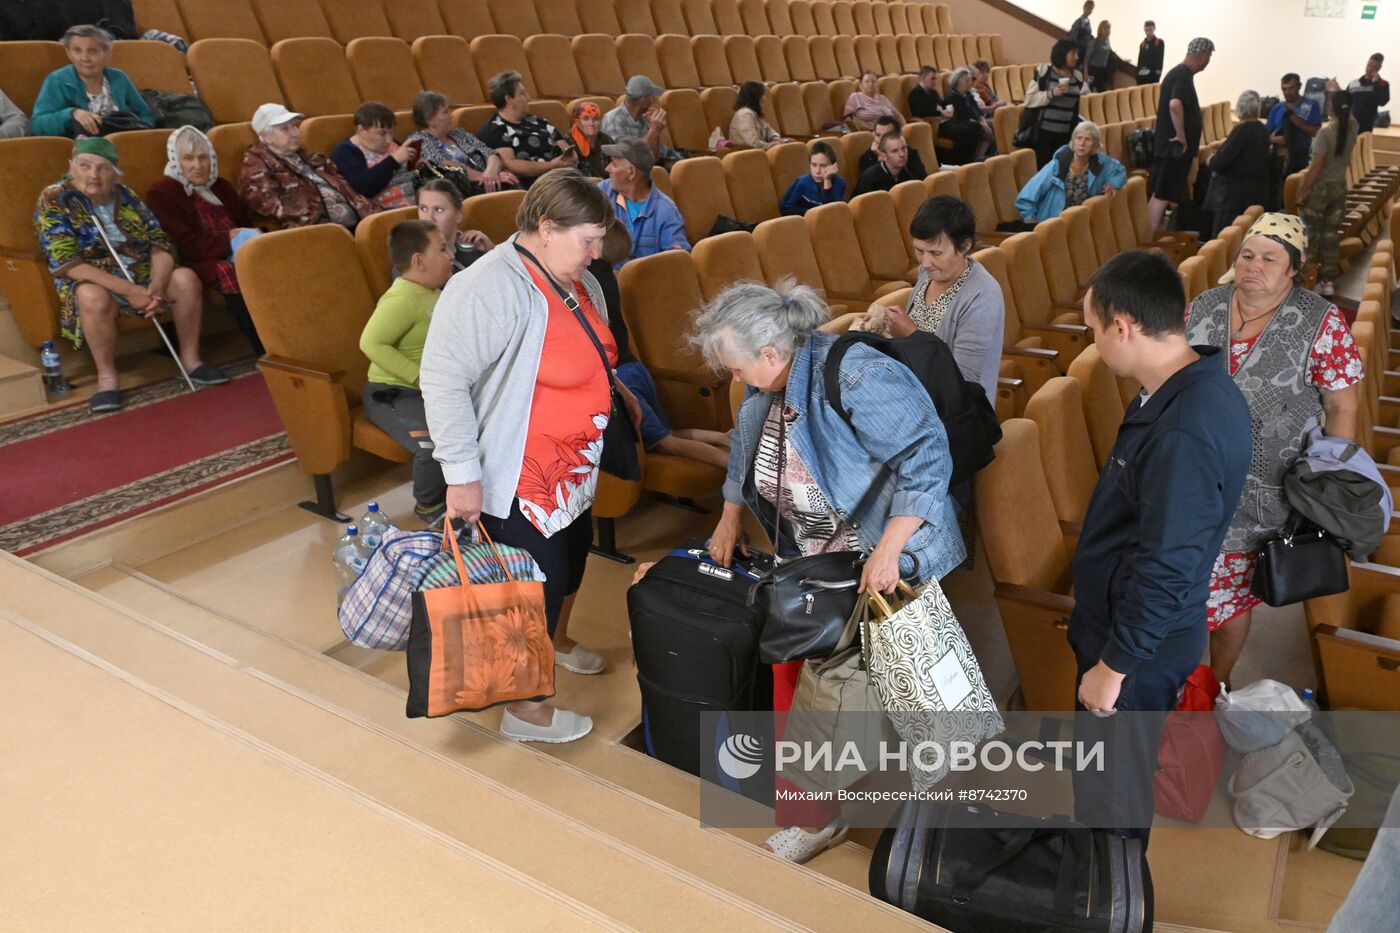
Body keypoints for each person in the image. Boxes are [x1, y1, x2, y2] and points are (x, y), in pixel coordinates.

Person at [697, 277, 965, 862]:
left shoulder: (857, 373)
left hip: (885, 554)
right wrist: (729, 516)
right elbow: (744, 450)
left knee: (925, 698)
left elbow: (927, 455)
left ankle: (948, 834)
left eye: (738, 368)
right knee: (800, 688)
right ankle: (815, 818)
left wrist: (891, 548)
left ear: (770, 352)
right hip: (811, 562)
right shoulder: (764, 387)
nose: (735, 380)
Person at [420, 169, 628, 743]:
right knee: (526, 589)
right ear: (544, 228)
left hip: (571, 474)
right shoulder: (486, 287)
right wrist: (461, 476)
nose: (595, 252)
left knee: (570, 568)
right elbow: (442, 381)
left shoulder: (574, 274)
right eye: (586, 239)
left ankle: (555, 646)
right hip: (518, 477)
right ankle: (526, 713)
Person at [1070, 249, 1251, 850]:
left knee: (1112, 800)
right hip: (1136, 631)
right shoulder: (1181, 387)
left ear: (1122, 326)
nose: (1094, 343)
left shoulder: (1183, 426)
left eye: (1094, 329)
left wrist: (1113, 667)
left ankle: (1108, 902)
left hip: (1137, 649)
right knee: (1104, 786)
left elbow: (1168, 564)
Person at [1183, 213, 1362, 687]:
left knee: (1230, 598)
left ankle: (1215, 682)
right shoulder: (1205, 307)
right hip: (1193, 477)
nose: (1253, 266)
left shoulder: (1319, 320)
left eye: (1268, 258)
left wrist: (1328, 482)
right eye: (1246, 255)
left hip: (1265, 489)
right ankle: (1172, 681)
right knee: (1180, 585)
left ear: (1293, 270)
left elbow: (1342, 403)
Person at [35, 138, 230, 414]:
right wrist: (129, 290)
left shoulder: (124, 195)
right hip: (92, 278)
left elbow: (160, 243)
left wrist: (157, 284)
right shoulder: (55, 199)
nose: (93, 175)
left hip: (141, 273)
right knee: (92, 296)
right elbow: (67, 262)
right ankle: (107, 379)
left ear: (115, 172)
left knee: (185, 279)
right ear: (71, 166)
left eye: (103, 168)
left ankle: (192, 360)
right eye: (85, 166)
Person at [593, 222, 731, 470]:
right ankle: (722, 438)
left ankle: (735, 467)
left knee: (665, 442)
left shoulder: (585, 280)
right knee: (667, 432)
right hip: (635, 368)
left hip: (622, 376)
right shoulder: (609, 276)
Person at [855, 196, 1005, 400]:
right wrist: (885, 327)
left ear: (965, 246)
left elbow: (962, 383)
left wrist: (911, 335)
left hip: (953, 415)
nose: (925, 262)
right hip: (913, 390)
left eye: (936, 253)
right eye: (919, 251)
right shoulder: (928, 273)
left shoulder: (982, 296)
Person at [360, 220, 454, 526]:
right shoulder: (402, 297)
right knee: (430, 443)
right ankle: (428, 507)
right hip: (391, 393)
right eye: (442, 249)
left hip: (428, 390)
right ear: (419, 261)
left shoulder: (433, 291)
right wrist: (416, 376)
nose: (450, 254)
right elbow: (370, 342)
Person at [146, 126, 265, 356]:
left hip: (238, 249)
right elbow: (183, 245)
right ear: (175, 160)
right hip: (197, 259)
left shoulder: (221, 186)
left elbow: (244, 221)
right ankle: (262, 347)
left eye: (203, 158)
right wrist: (227, 240)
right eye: (188, 159)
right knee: (226, 270)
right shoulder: (163, 192)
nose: (198, 166)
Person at [238, 103, 376, 230]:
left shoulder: (313, 159)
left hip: (356, 226)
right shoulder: (256, 166)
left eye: (293, 126)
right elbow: (269, 208)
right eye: (285, 129)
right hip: (316, 233)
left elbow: (351, 193)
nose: (294, 132)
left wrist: (374, 214)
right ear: (265, 137)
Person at [31, 25, 152, 137]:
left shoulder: (119, 77)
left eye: (92, 51)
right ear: (69, 53)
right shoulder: (57, 80)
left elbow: (145, 113)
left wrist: (140, 131)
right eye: (77, 51)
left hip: (122, 143)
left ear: (107, 53)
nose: (85, 58)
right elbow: (38, 125)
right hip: (81, 149)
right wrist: (72, 114)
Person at [1298, 91, 1360, 298]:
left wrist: (1303, 190)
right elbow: (1346, 109)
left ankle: (1309, 280)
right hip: (1339, 188)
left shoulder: (1325, 133)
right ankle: (1329, 282)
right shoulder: (1353, 127)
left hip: (1320, 190)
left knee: (1311, 237)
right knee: (1331, 236)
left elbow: (1316, 167)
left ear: (1331, 107)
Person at [1147, 38, 1214, 231]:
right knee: (1162, 195)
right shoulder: (1182, 76)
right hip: (1173, 149)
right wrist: (1181, 135)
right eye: (1208, 57)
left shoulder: (1178, 74)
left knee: (1160, 195)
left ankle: (1154, 235)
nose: (1208, 62)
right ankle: (1151, 239)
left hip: (1169, 148)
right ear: (1203, 56)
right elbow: (1175, 105)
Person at [477, 71, 578, 188]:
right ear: (509, 99)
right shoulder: (496, 129)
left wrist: (570, 156)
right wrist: (551, 165)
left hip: (564, 176)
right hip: (537, 185)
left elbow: (563, 146)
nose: (528, 98)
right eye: (522, 94)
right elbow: (511, 164)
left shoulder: (540, 121)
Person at [405, 91, 517, 194]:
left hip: (488, 181)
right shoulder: (418, 140)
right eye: (445, 112)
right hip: (460, 190)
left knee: (512, 182)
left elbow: (490, 153)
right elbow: (443, 165)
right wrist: (485, 177)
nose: (451, 115)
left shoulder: (459, 133)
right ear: (429, 119)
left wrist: (491, 172)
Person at [599, 137, 689, 263]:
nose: (607, 169)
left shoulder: (666, 211)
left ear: (631, 172)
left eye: (614, 164)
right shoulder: (603, 192)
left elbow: (677, 262)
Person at [1015, 120, 1126, 223]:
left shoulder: (1101, 163)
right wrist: (1029, 218)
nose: (1082, 143)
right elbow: (1027, 195)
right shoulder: (1057, 164)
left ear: (1095, 145)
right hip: (1053, 221)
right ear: (1073, 141)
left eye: (1087, 139)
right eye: (1079, 138)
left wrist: (1112, 183)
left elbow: (1120, 171)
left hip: (1080, 222)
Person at [1203, 91, 1272, 237]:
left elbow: (1220, 162)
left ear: (1240, 108)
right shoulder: (1262, 129)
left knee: (1224, 238)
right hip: (1255, 192)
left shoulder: (1242, 130)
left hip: (1234, 196)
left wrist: (1210, 159)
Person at [332, 102, 422, 210]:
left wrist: (420, 164)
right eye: (382, 134)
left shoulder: (394, 144)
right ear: (362, 130)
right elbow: (364, 188)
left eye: (391, 133)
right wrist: (394, 160)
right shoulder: (346, 151)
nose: (389, 140)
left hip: (420, 202)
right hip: (386, 211)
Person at [1023, 39, 1087, 168]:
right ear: (1062, 53)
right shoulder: (1044, 72)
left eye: (1077, 54)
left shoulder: (1078, 76)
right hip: (1044, 134)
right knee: (1046, 171)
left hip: (1066, 134)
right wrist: (1051, 93)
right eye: (1073, 53)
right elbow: (1029, 99)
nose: (1076, 57)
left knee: (1062, 171)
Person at [414, 179, 494, 272]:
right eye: (423, 209)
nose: (429, 218)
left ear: (458, 215)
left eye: (439, 210)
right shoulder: (410, 254)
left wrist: (491, 251)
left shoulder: (474, 246)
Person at [602, 76, 680, 165]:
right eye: (652, 96)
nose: (654, 100)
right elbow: (629, 158)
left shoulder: (643, 119)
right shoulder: (613, 119)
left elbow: (655, 157)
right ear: (644, 100)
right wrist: (653, 130)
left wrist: (655, 131)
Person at [1267, 73, 1324, 178]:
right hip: (1278, 158)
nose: (1287, 92)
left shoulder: (1310, 105)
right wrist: (1275, 140)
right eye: (1284, 89)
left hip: (1301, 156)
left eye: (1291, 88)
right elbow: (1265, 135)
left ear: (1299, 86)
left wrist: (1298, 123)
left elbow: (1317, 132)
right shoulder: (1276, 109)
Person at [779, 140, 846, 216]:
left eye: (823, 165)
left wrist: (827, 180)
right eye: (814, 165)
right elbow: (785, 208)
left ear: (833, 166)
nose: (817, 171)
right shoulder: (802, 183)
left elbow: (830, 214)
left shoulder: (840, 183)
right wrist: (810, 213)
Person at [944, 67, 994, 163]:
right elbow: (961, 116)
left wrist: (983, 122)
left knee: (992, 124)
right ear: (958, 82)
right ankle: (976, 157)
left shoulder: (968, 95)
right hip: (963, 122)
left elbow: (977, 111)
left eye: (969, 80)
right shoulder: (953, 97)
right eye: (966, 81)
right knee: (981, 129)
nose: (970, 83)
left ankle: (983, 155)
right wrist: (981, 125)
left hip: (975, 120)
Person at [851, 131, 921, 197]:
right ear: (883, 156)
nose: (902, 154)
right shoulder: (869, 178)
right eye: (895, 151)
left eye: (904, 148)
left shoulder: (911, 173)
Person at [857, 116, 928, 177]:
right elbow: (870, 187)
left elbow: (921, 180)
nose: (881, 140)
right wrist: (882, 161)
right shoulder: (867, 158)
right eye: (878, 135)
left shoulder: (909, 153)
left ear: (897, 135)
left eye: (886, 136)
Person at [729, 81, 785, 150]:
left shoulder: (753, 112)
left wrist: (775, 137)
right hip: (747, 154)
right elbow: (753, 143)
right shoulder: (744, 115)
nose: (764, 99)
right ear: (754, 97)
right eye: (761, 95)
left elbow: (767, 128)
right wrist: (773, 145)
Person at [569, 101, 613, 178]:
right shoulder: (568, 142)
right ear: (577, 122)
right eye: (586, 119)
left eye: (596, 119)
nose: (591, 124)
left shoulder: (606, 140)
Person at [1348, 53, 1389, 135]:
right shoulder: (1354, 83)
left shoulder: (1383, 84)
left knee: (1363, 146)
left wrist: (1376, 83)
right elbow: (1346, 99)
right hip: (1351, 123)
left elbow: (1382, 102)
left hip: (1367, 125)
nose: (1369, 69)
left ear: (1379, 68)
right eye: (1369, 65)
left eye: (1374, 67)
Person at [1085, 21, 1121, 92]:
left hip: (1102, 70)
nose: (1107, 31)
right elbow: (1087, 58)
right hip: (1093, 70)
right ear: (1100, 29)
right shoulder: (1095, 42)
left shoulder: (1107, 41)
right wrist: (1086, 74)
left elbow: (1111, 52)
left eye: (1109, 28)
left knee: (1101, 91)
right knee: (1089, 91)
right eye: (1105, 28)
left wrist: (1122, 60)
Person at [1136, 21, 1164, 85]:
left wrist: (1157, 75)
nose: (1148, 32)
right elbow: (1139, 60)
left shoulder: (1159, 42)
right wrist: (1137, 75)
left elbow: (1160, 59)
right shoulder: (1142, 44)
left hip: (1153, 76)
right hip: (1142, 76)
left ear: (1154, 29)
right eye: (1146, 30)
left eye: (1150, 30)